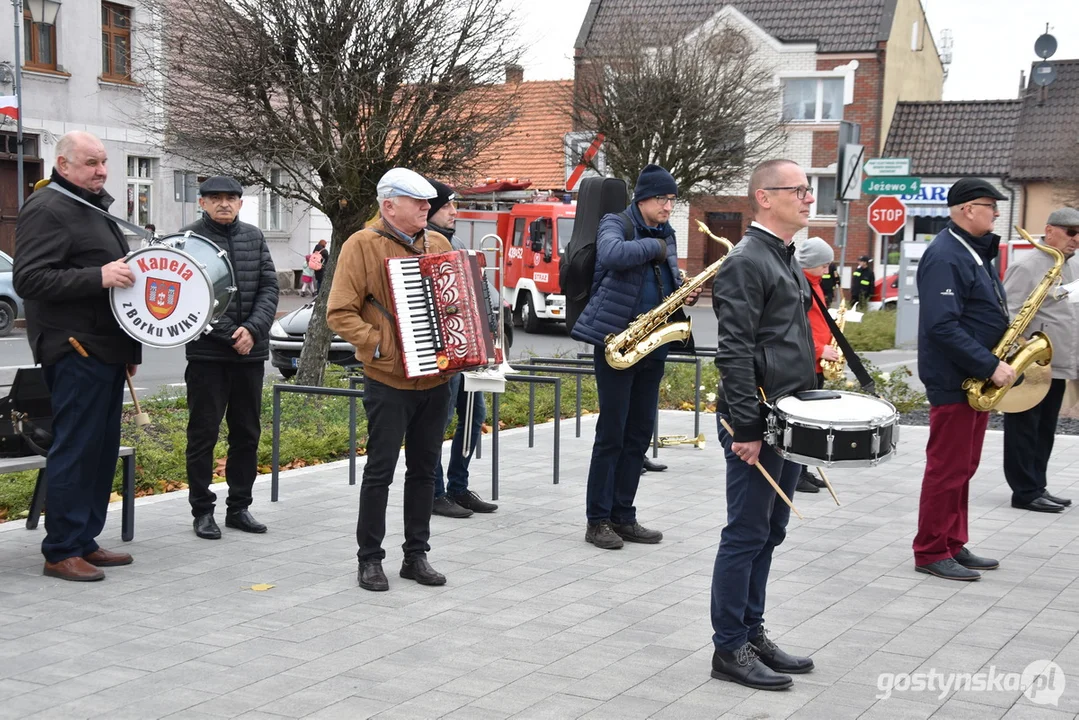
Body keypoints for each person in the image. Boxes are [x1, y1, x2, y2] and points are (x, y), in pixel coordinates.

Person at [12, 130, 142, 581]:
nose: (102, 170)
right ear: (63, 165)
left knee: (101, 449)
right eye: (91, 163)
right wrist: (97, 276)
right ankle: (61, 549)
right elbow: (29, 280)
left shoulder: (89, 206)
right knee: (76, 447)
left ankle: (84, 539)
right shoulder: (47, 208)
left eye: (104, 162)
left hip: (104, 349)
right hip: (73, 348)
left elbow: (122, 287)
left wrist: (131, 347)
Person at [710, 159, 818, 690]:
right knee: (746, 532)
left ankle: (751, 631)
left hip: (788, 415)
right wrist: (745, 427)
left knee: (770, 531)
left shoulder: (783, 255)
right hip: (760, 420)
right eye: (797, 189)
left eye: (809, 188)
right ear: (764, 197)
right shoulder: (747, 260)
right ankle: (729, 647)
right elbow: (733, 351)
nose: (808, 197)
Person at [327, 168, 454, 591]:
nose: (427, 208)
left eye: (428, 203)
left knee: (424, 472)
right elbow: (339, 312)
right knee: (380, 471)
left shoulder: (436, 242)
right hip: (388, 378)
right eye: (417, 202)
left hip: (436, 377)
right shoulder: (360, 245)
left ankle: (416, 556)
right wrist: (379, 344)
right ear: (388, 205)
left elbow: (452, 302)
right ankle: (369, 559)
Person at [571, 164, 699, 550]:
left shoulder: (667, 233)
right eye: (663, 199)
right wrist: (655, 247)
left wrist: (682, 292)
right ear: (643, 198)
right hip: (616, 341)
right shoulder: (617, 223)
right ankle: (598, 520)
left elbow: (665, 277)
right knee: (611, 433)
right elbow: (611, 255)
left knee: (639, 431)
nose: (668, 206)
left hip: (652, 341)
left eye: (673, 200)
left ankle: (624, 515)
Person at [914, 177, 1015, 581]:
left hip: (972, 378)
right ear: (967, 210)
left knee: (964, 466)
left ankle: (953, 542)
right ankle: (931, 550)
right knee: (947, 467)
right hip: (957, 378)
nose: (996, 212)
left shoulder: (973, 251)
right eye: (991, 205)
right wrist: (989, 365)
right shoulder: (945, 255)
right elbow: (942, 326)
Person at [184, 176, 279, 540]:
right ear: (202, 202)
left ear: (240, 203)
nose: (224, 204)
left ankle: (239, 506)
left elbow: (270, 287)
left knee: (246, 433)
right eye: (216, 198)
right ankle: (202, 511)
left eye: (231, 198)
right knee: (203, 434)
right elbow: (188, 297)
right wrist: (229, 334)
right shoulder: (189, 240)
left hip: (250, 355)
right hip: (209, 355)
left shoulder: (253, 237)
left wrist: (253, 330)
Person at [424, 178, 498, 519]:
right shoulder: (426, 245)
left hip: (469, 346)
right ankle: (435, 492)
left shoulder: (454, 243)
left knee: (475, 414)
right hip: (445, 350)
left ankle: (458, 486)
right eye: (448, 206)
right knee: (441, 419)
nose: (455, 212)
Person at [1001, 207, 1079, 513]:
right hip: (1032, 364)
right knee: (1024, 428)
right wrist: (1019, 357)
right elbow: (1008, 312)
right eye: (1071, 232)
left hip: (1058, 363)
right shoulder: (1028, 265)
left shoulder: (1071, 265)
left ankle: (1038, 485)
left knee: (1045, 428)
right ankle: (1023, 491)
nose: (1076, 239)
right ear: (1050, 231)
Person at [794, 237, 839, 494]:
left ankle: (804, 470)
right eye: (823, 265)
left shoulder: (815, 283)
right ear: (810, 264)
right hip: (808, 361)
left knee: (814, 422)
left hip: (818, 362)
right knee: (804, 422)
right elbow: (797, 328)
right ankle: (796, 474)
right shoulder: (801, 286)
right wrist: (821, 349)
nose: (827, 270)